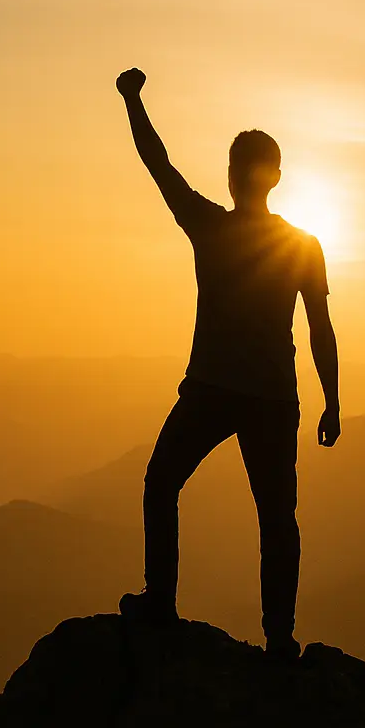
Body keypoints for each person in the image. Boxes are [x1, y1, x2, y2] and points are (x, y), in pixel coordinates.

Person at [114, 67, 340, 660]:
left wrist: (134, 101)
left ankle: (161, 603)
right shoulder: (302, 246)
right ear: (277, 178)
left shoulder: (210, 226)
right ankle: (280, 638)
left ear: (235, 175)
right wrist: (333, 400)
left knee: (162, 483)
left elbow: (158, 164)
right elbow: (320, 327)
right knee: (277, 517)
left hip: (212, 389)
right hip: (272, 397)